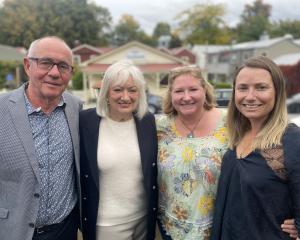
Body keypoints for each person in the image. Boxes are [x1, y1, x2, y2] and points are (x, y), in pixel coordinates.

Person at [0, 36, 82, 240]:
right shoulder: (2, 110)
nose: (54, 73)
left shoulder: (76, 109)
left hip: (65, 231)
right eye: (45, 63)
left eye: (63, 66)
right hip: (13, 231)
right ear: (28, 65)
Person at [211, 56, 300, 239]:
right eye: (243, 88)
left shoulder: (291, 140)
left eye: (261, 87)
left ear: (277, 91)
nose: (250, 97)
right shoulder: (237, 137)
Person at [79, 59, 158, 240]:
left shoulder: (147, 122)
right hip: (108, 224)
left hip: (143, 220)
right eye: (117, 90)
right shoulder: (85, 122)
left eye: (132, 90)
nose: (125, 97)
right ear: (106, 92)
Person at [155, 65, 228, 239]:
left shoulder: (229, 122)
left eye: (193, 89)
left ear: (205, 90)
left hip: (217, 225)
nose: (186, 97)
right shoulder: (158, 127)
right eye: (179, 91)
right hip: (170, 225)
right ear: (170, 95)